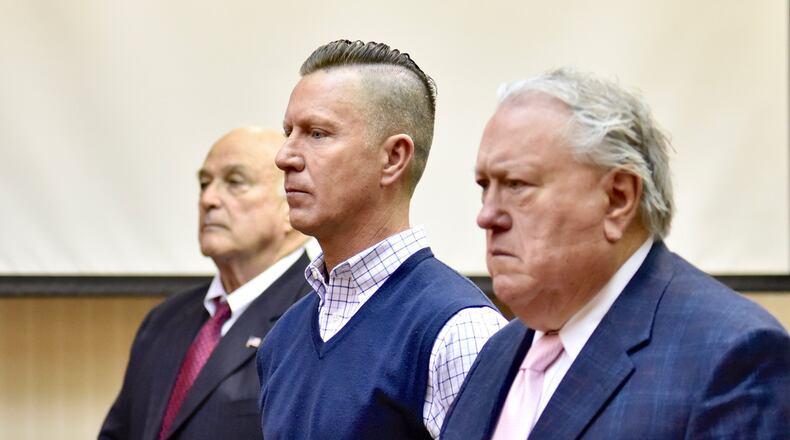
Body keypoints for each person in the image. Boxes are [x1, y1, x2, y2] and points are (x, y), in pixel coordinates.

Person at [441, 67, 790, 439]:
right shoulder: (496, 354)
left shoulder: (730, 357)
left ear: (618, 199)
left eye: (516, 184)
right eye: (485, 186)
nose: (486, 215)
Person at [256, 40, 507, 440]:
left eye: (317, 133)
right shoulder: (281, 340)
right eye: (290, 132)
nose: (284, 156)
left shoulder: (459, 331)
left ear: (393, 158)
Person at [99, 127, 313, 440]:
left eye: (235, 182)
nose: (208, 199)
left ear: (290, 204)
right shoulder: (163, 320)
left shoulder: (317, 316)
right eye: (204, 183)